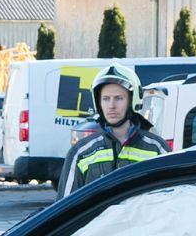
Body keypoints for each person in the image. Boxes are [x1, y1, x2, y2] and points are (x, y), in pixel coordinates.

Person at [57, 63, 169, 198]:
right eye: (105, 99)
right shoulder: (81, 153)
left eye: (118, 98)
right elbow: (66, 207)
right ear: (98, 102)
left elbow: (168, 203)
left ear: (132, 100)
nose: (111, 106)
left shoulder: (157, 149)